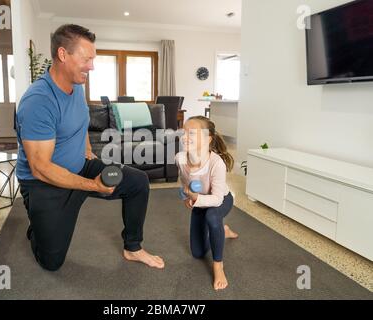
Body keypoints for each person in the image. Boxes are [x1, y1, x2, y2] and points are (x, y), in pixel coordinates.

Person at [15, 24, 164, 271]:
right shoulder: (38, 101)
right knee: (51, 261)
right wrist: (93, 185)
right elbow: (40, 168)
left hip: (81, 167)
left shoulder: (76, 85)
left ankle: (133, 247)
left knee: (137, 182)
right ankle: (37, 228)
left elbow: (80, 120)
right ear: (63, 55)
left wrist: (86, 149)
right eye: (87, 59)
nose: (92, 67)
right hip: (45, 183)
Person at [176, 116, 238, 290]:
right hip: (200, 201)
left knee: (212, 216)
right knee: (197, 253)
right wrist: (187, 198)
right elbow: (184, 182)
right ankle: (222, 230)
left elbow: (217, 199)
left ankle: (218, 265)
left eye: (192, 133)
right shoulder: (181, 158)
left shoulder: (216, 163)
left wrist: (196, 199)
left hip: (221, 200)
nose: (185, 137)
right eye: (184, 132)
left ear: (208, 139)